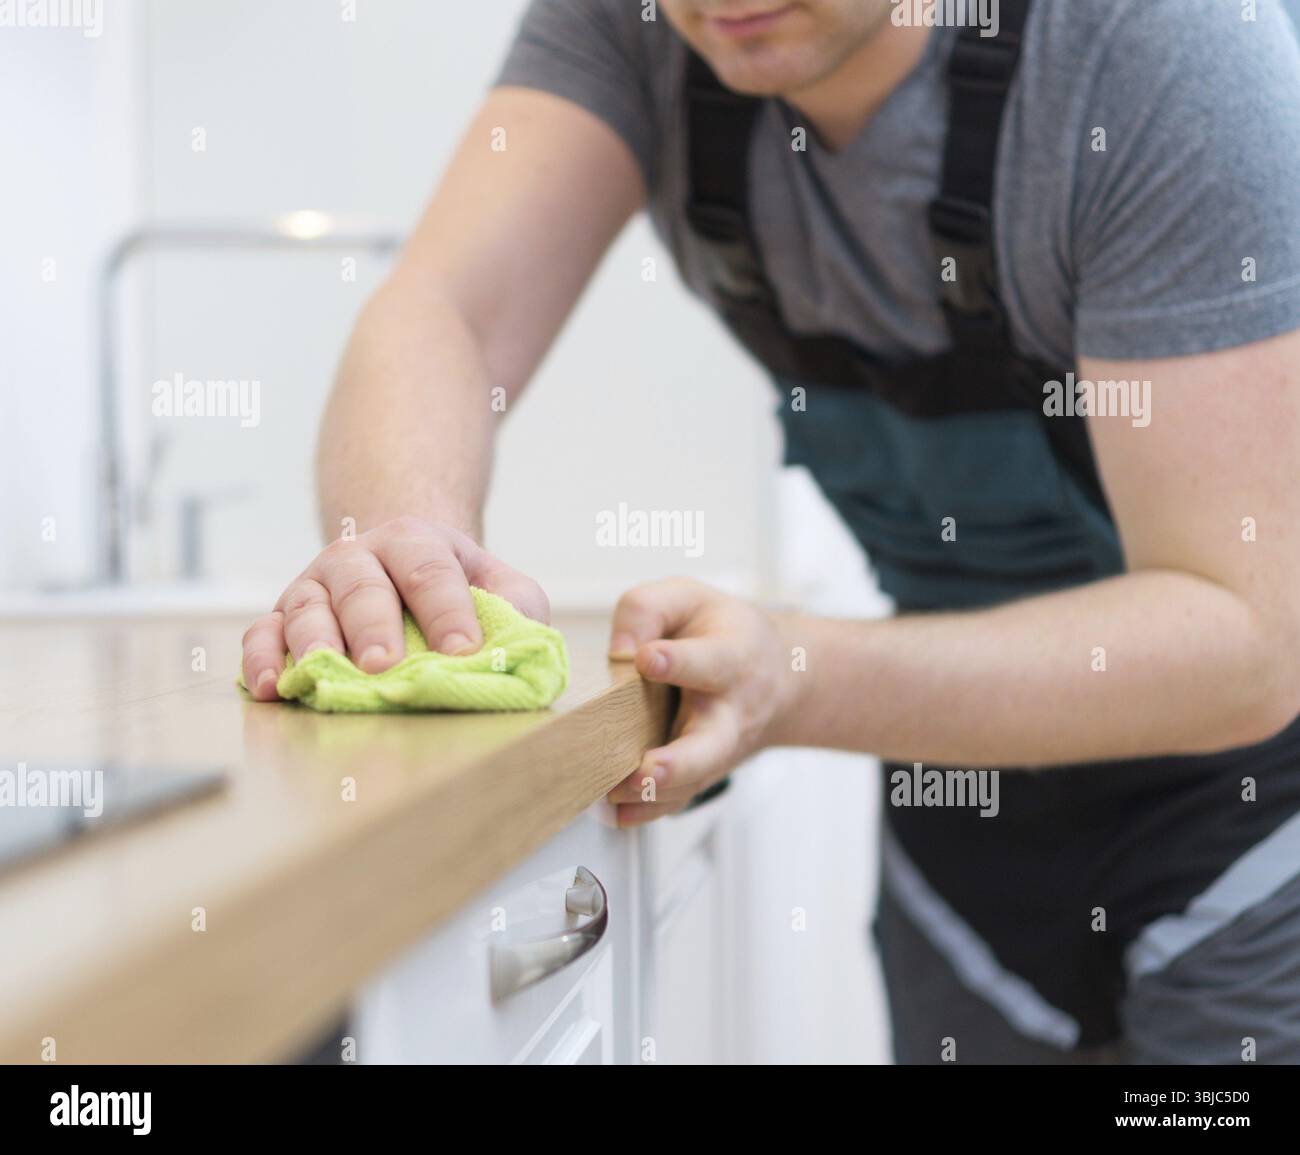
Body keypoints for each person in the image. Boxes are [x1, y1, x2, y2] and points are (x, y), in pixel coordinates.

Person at [240, 0, 1300, 1063]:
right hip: (963, 791)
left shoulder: (1162, 47)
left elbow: (1246, 639)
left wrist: (796, 674)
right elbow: (445, 307)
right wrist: (403, 542)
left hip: (1259, 818)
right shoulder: (641, 24)